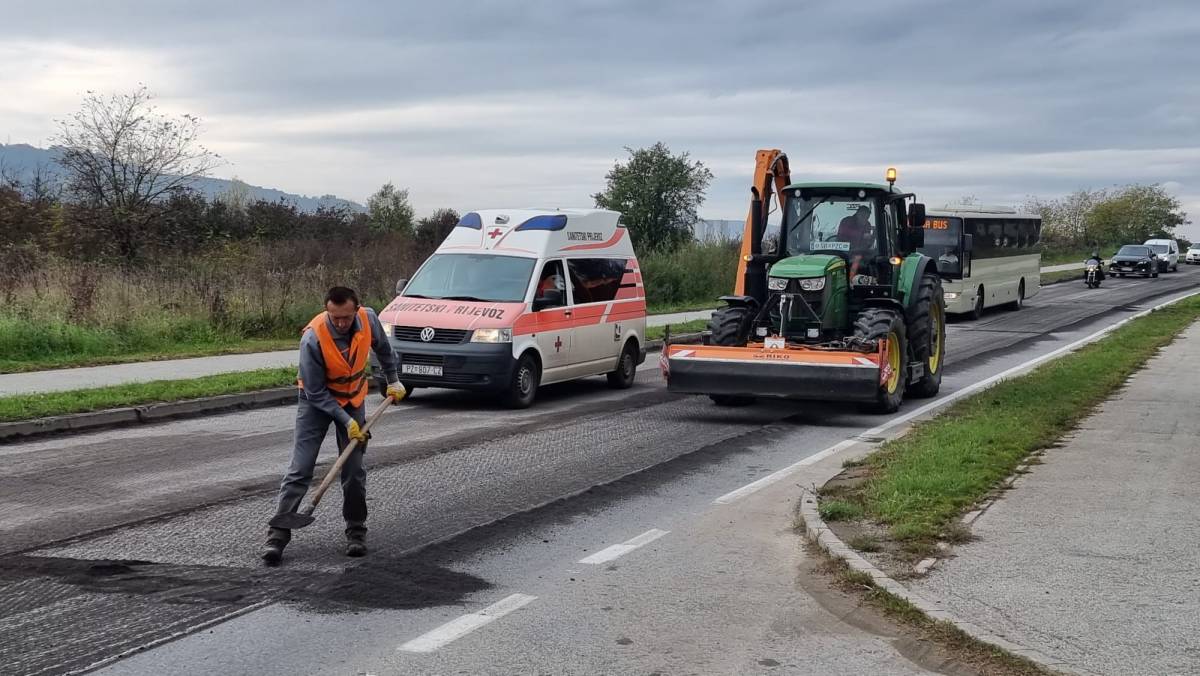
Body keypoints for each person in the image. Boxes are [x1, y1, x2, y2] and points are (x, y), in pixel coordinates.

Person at [261, 286, 406, 566]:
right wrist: (347, 422)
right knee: (300, 468)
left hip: (352, 398)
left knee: (353, 470)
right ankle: (277, 535)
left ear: (356, 310)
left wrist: (393, 378)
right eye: (335, 317)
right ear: (327, 311)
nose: (340, 323)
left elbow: (384, 349)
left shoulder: (369, 319)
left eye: (346, 318)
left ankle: (356, 531)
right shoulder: (313, 338)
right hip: (315, 403)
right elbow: (315, 393)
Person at [837, 205, 875, 279]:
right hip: (844, 251)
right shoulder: (846, 221)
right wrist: (861, 235)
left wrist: (869, 241)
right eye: (863, 216)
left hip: (860, 252)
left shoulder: (867, 224)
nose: (865, 218)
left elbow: (866, 242)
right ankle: (849, 279)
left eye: (867, 217)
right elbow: (843, 233)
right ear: (858, 213)